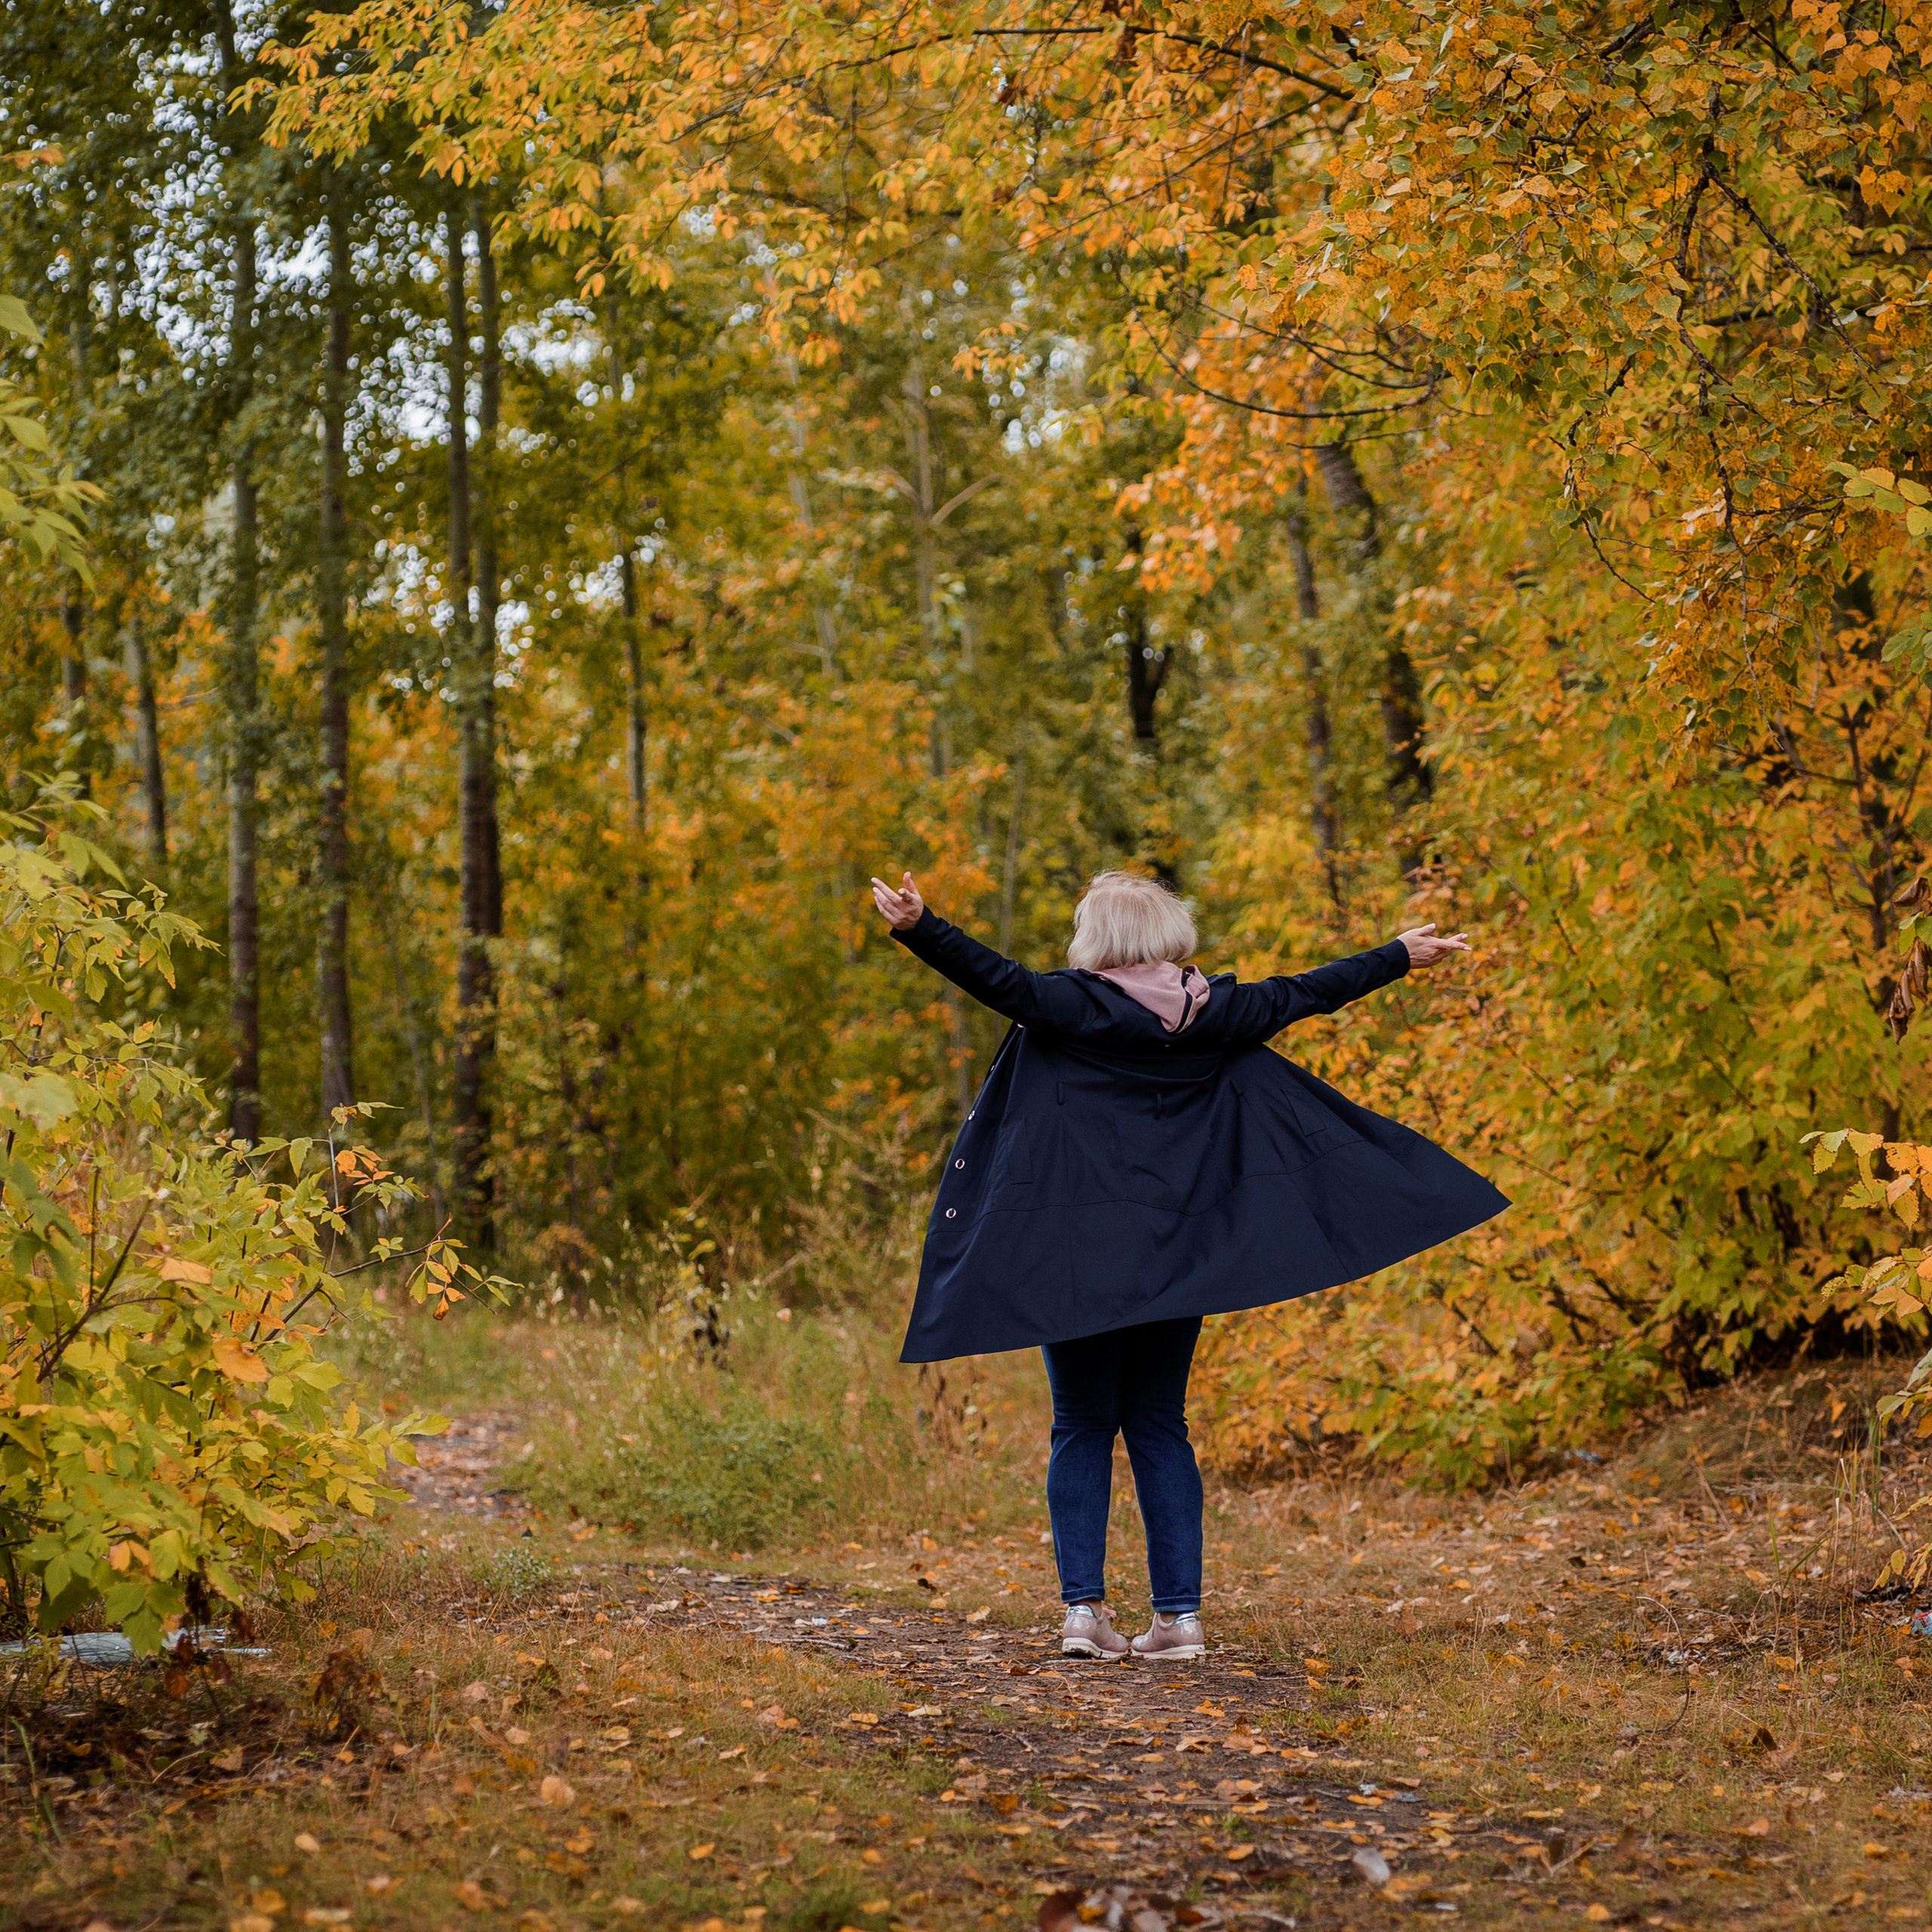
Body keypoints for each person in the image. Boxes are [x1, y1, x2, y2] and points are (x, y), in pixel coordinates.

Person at [870, 868, 1506, 1663]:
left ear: (1096, 940)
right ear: (1166, 932)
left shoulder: (1072, 1006)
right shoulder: (1218, 1012)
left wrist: (921, 925)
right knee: (1158, 1423)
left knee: (1080, 1424)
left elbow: (999, 981)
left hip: (1078, 1261)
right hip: (1178, 1257)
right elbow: (1309, 990)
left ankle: (1083, 1615)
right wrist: (1397, 955)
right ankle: (1178, 1621)